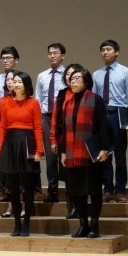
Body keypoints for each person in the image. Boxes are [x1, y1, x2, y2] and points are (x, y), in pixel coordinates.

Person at [59, 68, 112, 238]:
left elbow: (103, 126)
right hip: (73, 154)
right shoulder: (68, 103)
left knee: (94, 191)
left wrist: (104, 149)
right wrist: (63, 152)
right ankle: (83, 225)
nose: (73, 81)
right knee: (77, 191)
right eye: (71, 79)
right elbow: (64, 129)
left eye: (77, 78)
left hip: (92, 153)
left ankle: (95, 226)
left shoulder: (95, 100)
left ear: (86, 81)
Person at [0, 70, 43, 237]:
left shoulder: (34, 103)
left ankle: (26, 223)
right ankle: (16, 223)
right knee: (13, 189)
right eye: (14, 81)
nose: (15, 84)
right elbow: (3, 128)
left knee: (27, 189)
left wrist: (39, 150)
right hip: (10, 144)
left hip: (27, 144)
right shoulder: (6, 102)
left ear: (26, 85)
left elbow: (37, 128)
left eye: (19, 82)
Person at [92, 40, 128, 203]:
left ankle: (120, 191)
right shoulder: (97, 74)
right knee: (104, 154)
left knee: (120, 155)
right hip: (102, 114)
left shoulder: (126, 72)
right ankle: (108, 189)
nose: (105, 52)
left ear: (116, 52)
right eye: (102, 49)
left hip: (119, 113)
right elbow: (94, 98)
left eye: (108, 49)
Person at [50, 63, 85, 219]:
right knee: (68, 176)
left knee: (81, 175)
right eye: (68, 75)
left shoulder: (86, 95)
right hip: (65, 140)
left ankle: (82, 206)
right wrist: (53, 139)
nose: (70, 78)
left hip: (82, 141)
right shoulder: (62, 94)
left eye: (74, 75)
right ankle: (73, 206)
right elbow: (55, 118)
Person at [0, 47, 20, 202]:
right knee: (2, 157)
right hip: (0, 124)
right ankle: (5, 191)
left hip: (17, 125)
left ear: (16, 60)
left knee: (17, 159)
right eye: (3, 58)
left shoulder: (21, 77)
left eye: (8, 57)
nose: (5, 60)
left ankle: (18, 192)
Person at [35, 43, 67, 203]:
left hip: (64, 119)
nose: (52, 56)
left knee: (66, 155)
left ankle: (70, 193)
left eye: (55, 53)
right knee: (50, 157)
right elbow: (38, 98)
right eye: (50, 53)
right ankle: (52, 191)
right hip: (47, 118)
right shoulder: (42, 76)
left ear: (63, 56)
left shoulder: (68, 75)